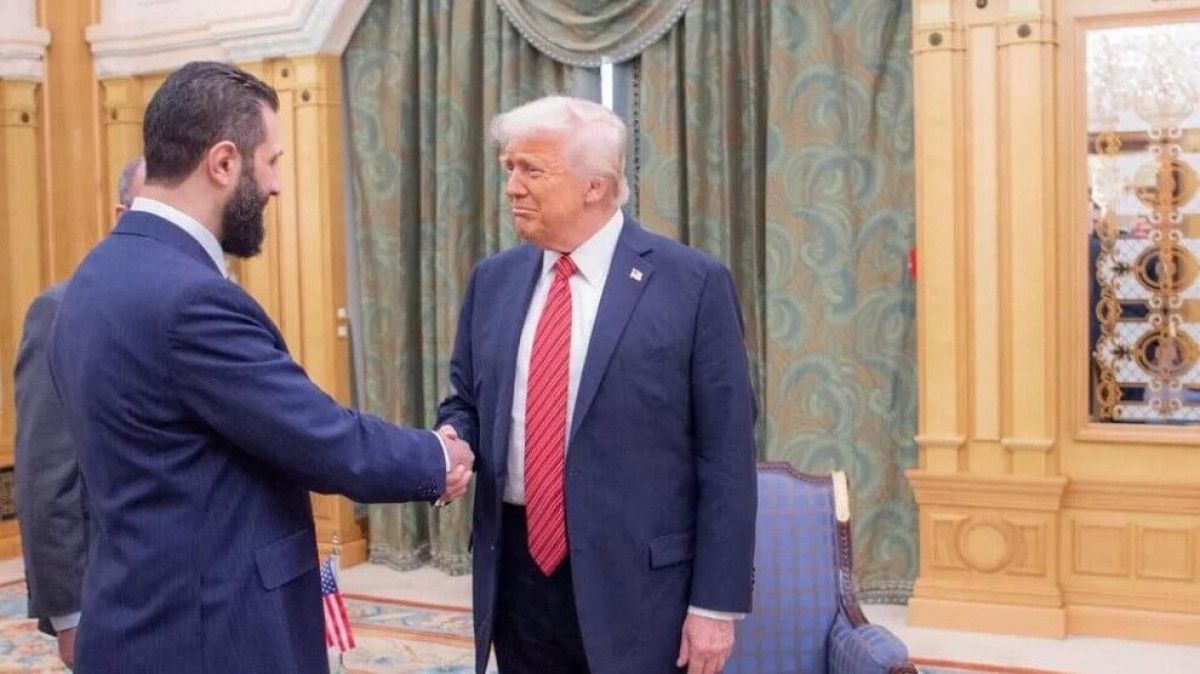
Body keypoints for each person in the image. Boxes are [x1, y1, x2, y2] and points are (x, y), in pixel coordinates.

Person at [47, 61, 473, 674]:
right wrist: (436, 456)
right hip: (210, 632)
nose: (276, 186)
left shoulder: (95, 275)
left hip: (138, 612)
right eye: (271, 162)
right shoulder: (190, 298)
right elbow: (318, 436)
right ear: (223, 163)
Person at [437, 96, 757, 674]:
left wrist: (714, 605)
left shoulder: (692, 284)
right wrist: (452, 440)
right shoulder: (493, 281)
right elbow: (466, 401)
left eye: (531, 170)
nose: (512, 187)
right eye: (509, 167)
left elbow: (726, 454)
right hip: (517, 573)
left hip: (640, 585)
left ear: (595, 185)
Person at [13, 155, 145, 670]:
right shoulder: (60, 312)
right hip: (109, 590)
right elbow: (46, 476)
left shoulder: (210, 306)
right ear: (121, 216)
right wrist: (69, 615)